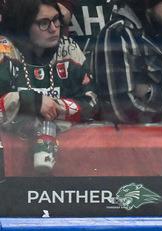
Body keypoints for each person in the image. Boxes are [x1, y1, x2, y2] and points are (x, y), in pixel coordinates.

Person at [0, 0, 97, 173]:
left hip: (62, 153)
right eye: (44, 23)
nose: (54, 28)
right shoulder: (3, 50)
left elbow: (91, 102)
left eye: (56, 20)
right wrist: (35, 103)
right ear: (23, 26)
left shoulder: (69, 48)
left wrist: (53, 107)